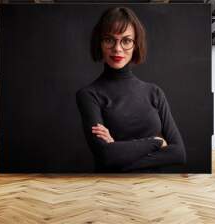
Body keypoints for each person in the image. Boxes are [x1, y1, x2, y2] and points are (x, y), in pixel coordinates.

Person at [76, 7, 186, 172]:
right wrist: (157, 142)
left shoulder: (154, 92)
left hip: (153, 191)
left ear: (136, 44)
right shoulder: (89, 95)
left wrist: (118, 150)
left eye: (126, 41)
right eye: (109, 39)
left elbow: (178, 153)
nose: (117, 49)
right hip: (110, 191)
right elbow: (106, 156)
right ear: (100, 43)